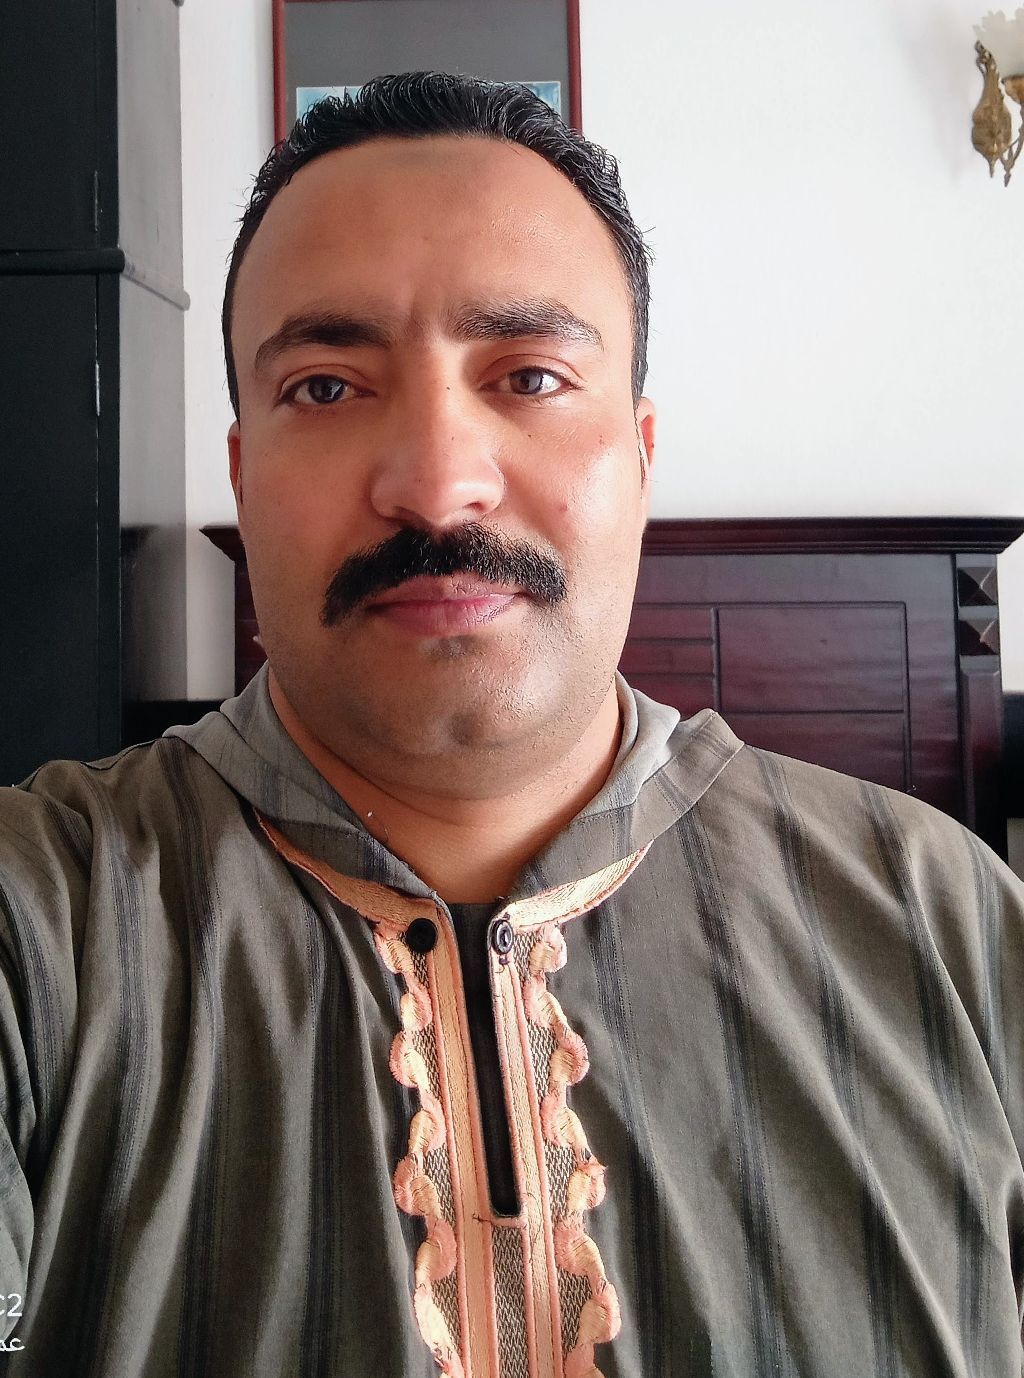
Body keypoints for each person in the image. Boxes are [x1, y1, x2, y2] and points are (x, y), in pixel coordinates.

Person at [0, 71, 1022, 1378]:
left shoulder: (951, 929)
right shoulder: (39, 922)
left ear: (641, 458)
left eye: (530, 375)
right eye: (326, 387)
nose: (437, 482)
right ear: (244, 475)